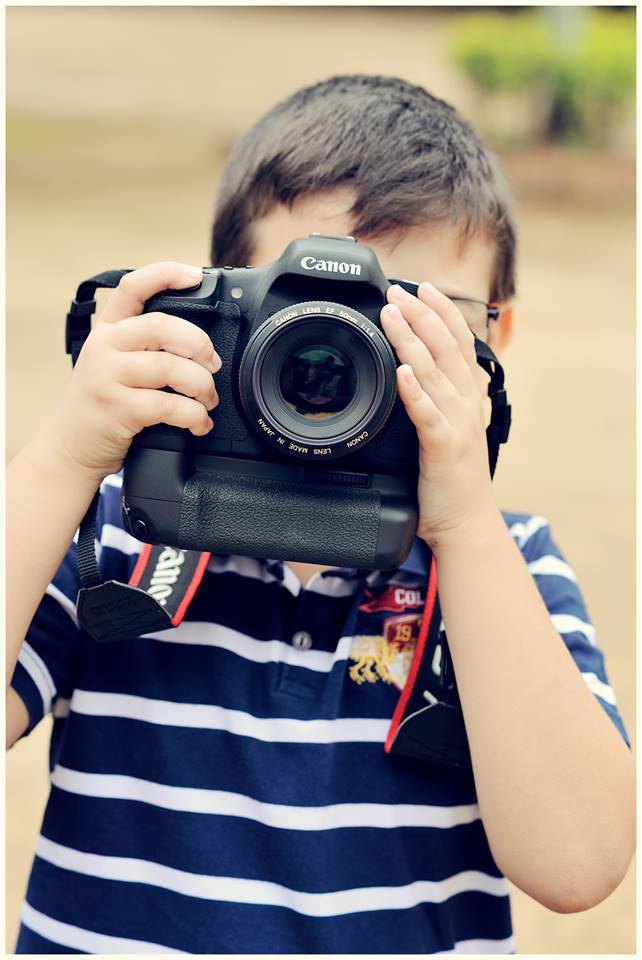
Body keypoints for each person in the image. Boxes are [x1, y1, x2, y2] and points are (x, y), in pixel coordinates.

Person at [6, 75, 634, 954]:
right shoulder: (124, 530)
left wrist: (463, 526)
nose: (350, 362)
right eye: (309, 318)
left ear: (497, 343)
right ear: (226, 304)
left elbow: (580, 865)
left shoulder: (507, 569)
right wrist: (66, 457)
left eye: (417, 322)